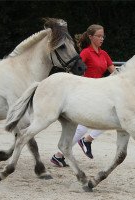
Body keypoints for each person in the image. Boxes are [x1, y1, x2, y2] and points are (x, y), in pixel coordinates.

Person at [50, 24, 116, 167]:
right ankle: (61, 154)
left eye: (103, 36)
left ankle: (80, 144)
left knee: (112, 118)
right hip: (85, 93)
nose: (102, 38)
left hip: (100, 92)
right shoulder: (86, 53)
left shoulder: (104, 54)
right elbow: (76, 70)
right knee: (82, 127)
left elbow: (115, 73)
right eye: (99, 36)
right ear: (91, 37)